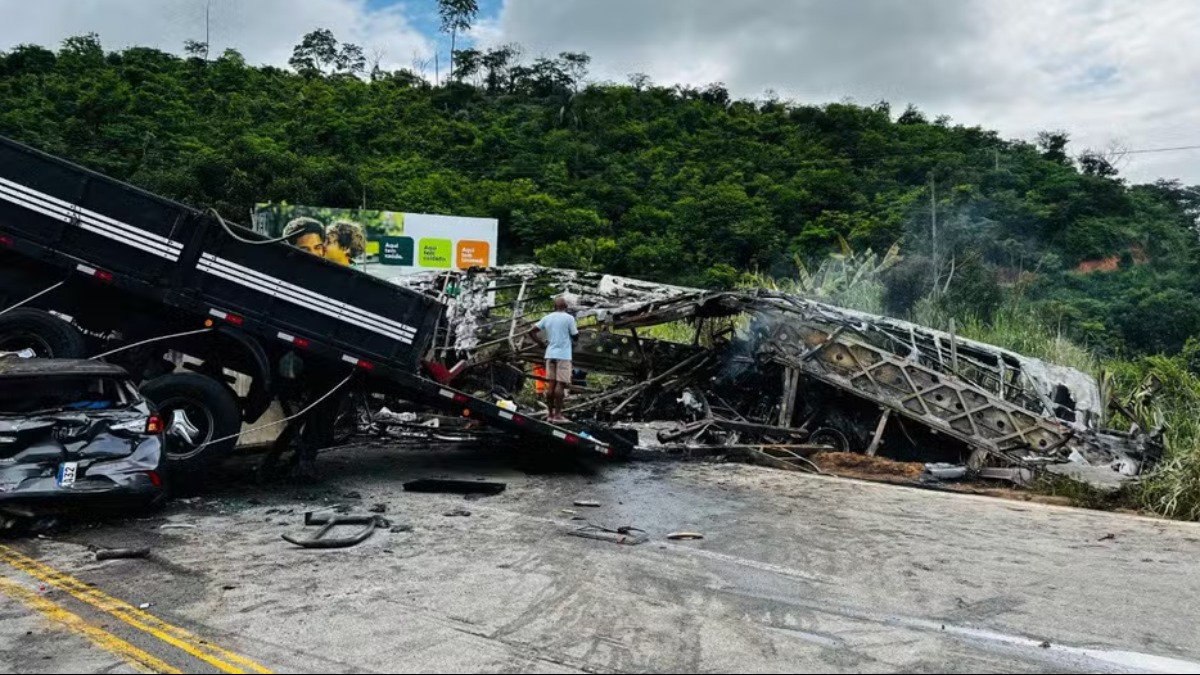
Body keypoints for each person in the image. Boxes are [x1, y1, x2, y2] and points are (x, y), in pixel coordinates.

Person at [531, 297, 578, 423]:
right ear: (566, 307)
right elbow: (575, 335)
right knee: (560, 385)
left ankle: (550, 414)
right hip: (563, 355)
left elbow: (532, 331)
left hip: (550, 354)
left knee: (551, 384)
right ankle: (558, 415)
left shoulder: (548, 318)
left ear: (554, 307)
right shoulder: (569, 318)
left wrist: (540, 343)